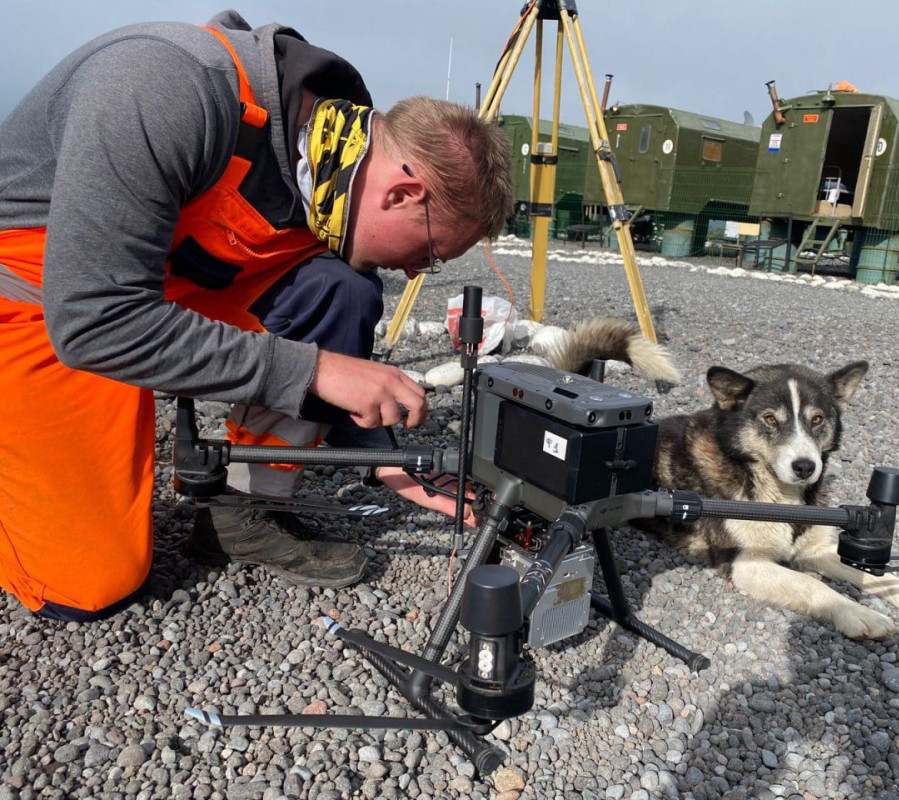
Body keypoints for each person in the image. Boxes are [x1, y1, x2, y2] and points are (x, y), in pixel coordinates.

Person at [0, 11, 514, 621]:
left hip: (165, 279)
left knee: (342, 289)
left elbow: (328, 319)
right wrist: (313, 371)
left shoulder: (335, 154)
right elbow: (95, 319)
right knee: (89, 583)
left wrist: (387, 458)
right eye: (430, 255)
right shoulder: (162, 86)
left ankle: (245, 513)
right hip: (48, 294)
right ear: (402, 195)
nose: (414, 273)